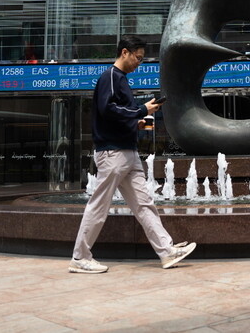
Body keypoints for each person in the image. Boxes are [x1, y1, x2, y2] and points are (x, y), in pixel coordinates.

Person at [70, 35, 196, 274]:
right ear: (124, 52)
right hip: (113, 153)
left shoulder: (121, 80)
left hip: (127, 152)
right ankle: (80, 257)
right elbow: (107, 108)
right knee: (99, 205)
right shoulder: (110, 76)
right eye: (137, 58)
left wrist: (136, 121)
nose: (139, 62)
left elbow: (118, 114)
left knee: (144, 204)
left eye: (141, 59)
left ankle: (166, 251)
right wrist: (141, 109)